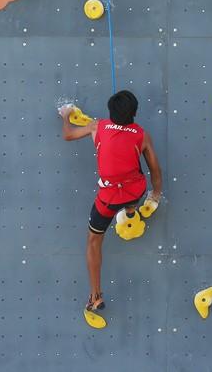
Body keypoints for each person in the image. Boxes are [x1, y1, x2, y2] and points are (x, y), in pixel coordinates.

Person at [60, 90, 163, 312]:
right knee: (132, 195)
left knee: (94, 242)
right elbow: (155, 169)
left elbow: (68, 135)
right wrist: (155, 195)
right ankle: (131, 212)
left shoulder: (97, 127)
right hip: (135, 191)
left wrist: (66, 115)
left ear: (110, 111)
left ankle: (95, 296)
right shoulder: (142, 135)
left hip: (107, 200)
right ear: (135, 113)